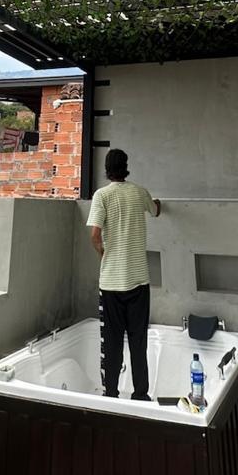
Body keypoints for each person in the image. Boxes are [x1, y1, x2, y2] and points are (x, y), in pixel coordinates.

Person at [87, 147, 161, 400]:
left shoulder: (102, 195)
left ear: (107, 169)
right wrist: (158, 204)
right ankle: (140, 394)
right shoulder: (140, 192)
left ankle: (111, 393)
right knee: (138, 340)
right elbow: (156, 210)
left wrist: (104, 254)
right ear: (126, 167)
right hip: (138, 281)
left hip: (111, 283)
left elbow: (95, 235)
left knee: (112, 341)